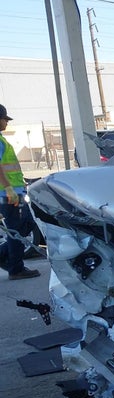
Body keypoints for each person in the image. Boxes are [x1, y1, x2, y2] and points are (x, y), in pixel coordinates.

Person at [0, 103, 40, 280]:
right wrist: (9, 188)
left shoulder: (2, 140)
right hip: (9, 195)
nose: (6, 122)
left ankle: (6, 258)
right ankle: (16, 269)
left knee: (25, 227)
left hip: (13, 192)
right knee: (17, 229)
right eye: (4, 119)